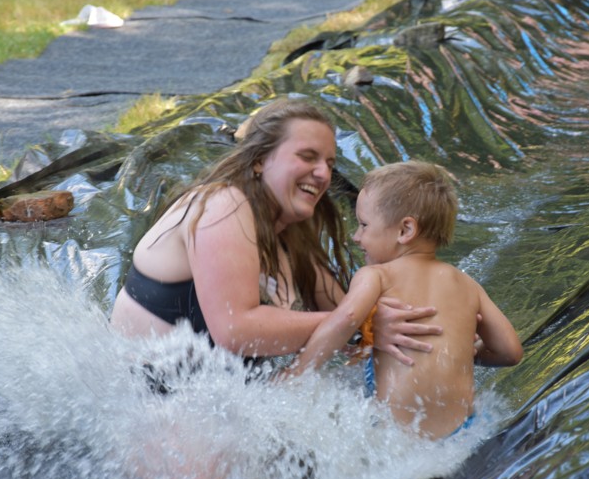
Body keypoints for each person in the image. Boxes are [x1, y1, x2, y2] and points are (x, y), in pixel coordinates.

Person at [109, 98, 440, 370]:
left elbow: (354, 312)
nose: (324, 173)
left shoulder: (293, 239)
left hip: (210, 405)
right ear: (259, 161)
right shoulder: (221, 205)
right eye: (307, 157)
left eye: (329, 161)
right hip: (146, 402)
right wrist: (356, 325)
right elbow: (235, 329)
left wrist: (438, 330)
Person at [285, 161, 523, 439]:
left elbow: (346, 320)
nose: (356, 236)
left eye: (363, 225)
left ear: (405, 231)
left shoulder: (374, 275)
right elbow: (510, 352)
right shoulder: (466, 283)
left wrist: (296, 374)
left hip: (396, 439)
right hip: (462, 433)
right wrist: (465, 350)